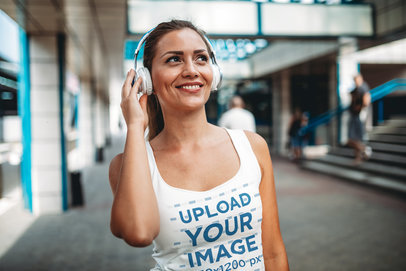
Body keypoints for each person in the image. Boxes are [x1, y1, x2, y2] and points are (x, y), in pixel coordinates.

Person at [109, 20, 289, 271]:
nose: (191, 70)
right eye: (174, 59)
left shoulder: (252, 147)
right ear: (146, 79)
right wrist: (135, 127)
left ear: (214, 73)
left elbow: (272, 253)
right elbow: (138, 232)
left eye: (201, 58)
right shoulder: (129, 163)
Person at [347, 74, 372, 164]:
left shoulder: (363, 88)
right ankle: (358, 158)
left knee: (352, 140)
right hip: (354, 116)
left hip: (358, 116)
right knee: (354, 139)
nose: (356, 82)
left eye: (356, 80)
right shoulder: (356, 89)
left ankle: (365, 149)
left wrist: (360, 108)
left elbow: (366, 100)